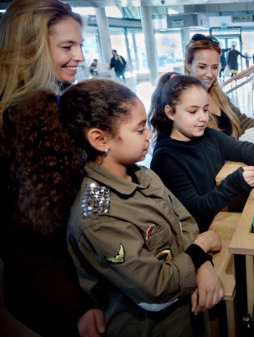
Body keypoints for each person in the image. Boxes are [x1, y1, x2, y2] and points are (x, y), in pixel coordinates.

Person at [24, 78, 222, 336]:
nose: (150, 135)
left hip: (186, 314)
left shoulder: (144, 176)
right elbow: (158, 286)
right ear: (99, 138)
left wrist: (202, 264)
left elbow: (184, 222)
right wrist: (202, 247)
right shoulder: (98, 218)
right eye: (140, 130)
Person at [0, 0, 105, 337]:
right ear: (31, 49)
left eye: (80, 45)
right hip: (56, 293)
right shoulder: (32, 117)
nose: (80, 56)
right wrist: (76, 305)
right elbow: (30, 239)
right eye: (67, 47)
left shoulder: (37, 107)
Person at [149, 73, 254, 232]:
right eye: (193, 111)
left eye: (205, 110)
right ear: (170, 112)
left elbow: (242, 148)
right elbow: (195, 211)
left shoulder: (208, 134)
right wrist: (234, 182)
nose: (203, 118)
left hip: (221, 216)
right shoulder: (165, 159)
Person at [184, 34, 254, 137]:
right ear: (188, 65)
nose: (210, 74)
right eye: (202, 67)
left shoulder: (219, 95)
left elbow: (241, 121)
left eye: (214, 67)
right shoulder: (185, 105)